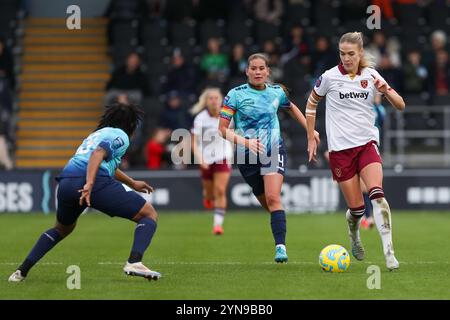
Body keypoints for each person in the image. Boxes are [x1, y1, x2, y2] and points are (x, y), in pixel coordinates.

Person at [9, 103, 162, 282]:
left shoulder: (95, 135)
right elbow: (97, 155)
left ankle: (21, 272)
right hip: (93, 181)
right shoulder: (120, 135)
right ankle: (134, 262)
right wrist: (89, 183)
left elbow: (102, 161)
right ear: (130, 124)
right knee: (149, 214)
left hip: (66, 181)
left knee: (62, 229)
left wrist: (132, 183)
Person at [305, 32, 405, 270]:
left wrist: (386, 90)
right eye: (343, 53)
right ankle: (354, 236)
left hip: (367, 144)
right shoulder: (329, 77)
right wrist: (311, 135)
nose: (347, 58)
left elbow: (400, 105)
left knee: (377, 194)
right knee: (357, 209)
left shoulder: (371, 75)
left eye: (351, 53)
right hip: (341, 151)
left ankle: (389, 253)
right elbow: (311, 104)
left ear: (360, 53)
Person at [218, 53, 320, 263]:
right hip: (246, 157)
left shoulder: (276, 92)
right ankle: (279, 221)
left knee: (274, 198)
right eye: (253, 68)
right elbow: (221, 130)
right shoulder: (235, 95)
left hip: (273, 150)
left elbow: (291, 108)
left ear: (268, 72)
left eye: (261, 68)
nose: (257, 72)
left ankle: (280, 248)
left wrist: (311, 131)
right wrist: (246, 143)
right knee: (269, 204)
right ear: (247, 71)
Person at [191, 88, 233, 235]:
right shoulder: (200, 118)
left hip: (223, 156)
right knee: (209, 193)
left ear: (221, 100)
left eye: (216, 98)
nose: (214, 101)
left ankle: (217, 225)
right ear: (206, 101)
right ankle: (208, 197)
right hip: (206, 158)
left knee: (220, 190)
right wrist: (200, 159)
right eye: (211, 98)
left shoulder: (227, 115)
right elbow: (194, 142)